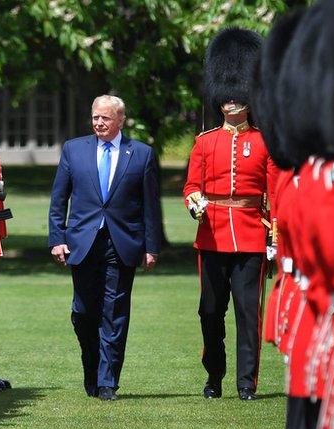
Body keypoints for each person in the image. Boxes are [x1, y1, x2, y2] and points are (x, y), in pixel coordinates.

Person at [183, 29, 280, 401]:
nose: (231, 102)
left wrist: (277, 236)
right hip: (212, 235)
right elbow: (192, 186)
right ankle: (214, 375)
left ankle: (246, 383)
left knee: (247, 316)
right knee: (210, 312)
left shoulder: (263, 141)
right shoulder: (205, 142)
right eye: (226, 97)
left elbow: (276, 195)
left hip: (253, 236)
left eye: (238, 96)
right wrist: (195, 203)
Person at [47, 95, 161, 401]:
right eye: (96, 117)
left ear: (120, 121)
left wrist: (151, 247)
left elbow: (150, 206)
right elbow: (59, 199)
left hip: (122, 243)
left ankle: (108, 380)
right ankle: (92, 370)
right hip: (82, 243)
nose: (99, 122)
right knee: (84, 312)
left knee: (115, 312)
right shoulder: (74, 149)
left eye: (106, 118)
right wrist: (57, 238)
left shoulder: (141, 154)